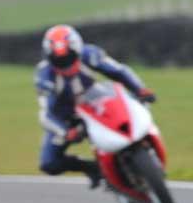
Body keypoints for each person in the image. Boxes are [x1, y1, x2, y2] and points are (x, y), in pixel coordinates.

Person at [35, 24, 156, 187]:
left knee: (133, 111)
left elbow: (119, 71)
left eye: (69, 58)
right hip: (67, 119)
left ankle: (147, 147)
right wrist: (65, 131)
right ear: (49, 58)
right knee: (48, 163)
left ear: (77, 50)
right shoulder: (44, 76)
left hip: (96, 103)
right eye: (59, 61)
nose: (65, 64)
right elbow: (46, 114)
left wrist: (140, 89)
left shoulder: (90, 54)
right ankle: (93, 168)